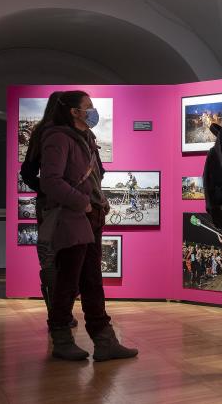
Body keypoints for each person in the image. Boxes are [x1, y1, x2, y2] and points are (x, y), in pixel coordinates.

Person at [40, 90, 137, 362]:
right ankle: (61, 338)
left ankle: (105, 341)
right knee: (68, 281)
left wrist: (98, 202)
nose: (93, 112)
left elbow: (93, 177)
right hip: (73, 217)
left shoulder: (86, 138)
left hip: (90, 217)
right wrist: (81, 202)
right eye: (88, 107)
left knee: (92, 281)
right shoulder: (58, 138)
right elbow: (50, 180)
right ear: (73, 111)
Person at [19, 92, 79, 328]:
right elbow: (28, 172)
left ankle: (58, 313)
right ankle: (60, 314)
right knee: (62, 259)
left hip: (51, 205)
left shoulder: (42, 132)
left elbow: (27, 173)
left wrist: (45, 189)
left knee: (51, 260)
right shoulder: (60, 133)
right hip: (63, 205)